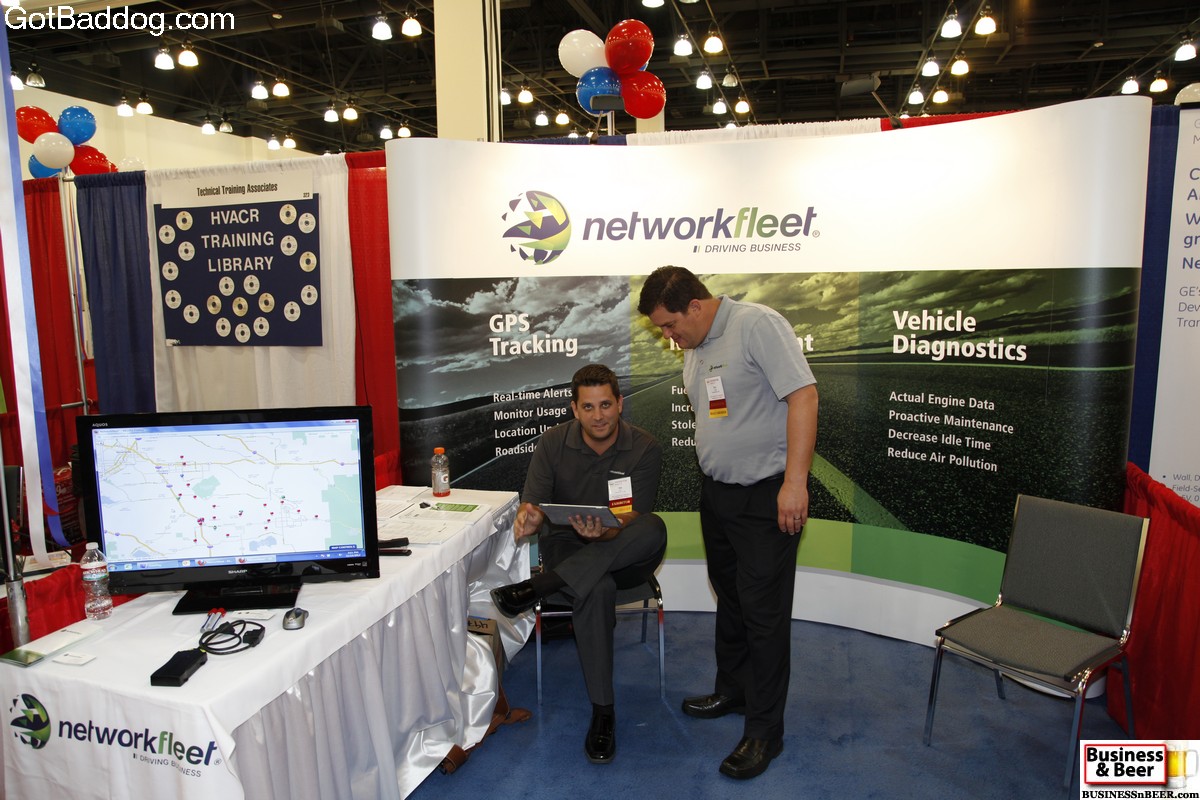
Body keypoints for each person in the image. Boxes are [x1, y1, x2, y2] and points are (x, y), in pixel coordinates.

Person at [637, 265, 818, 781]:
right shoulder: (694, 344)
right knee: (732, 597)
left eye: (670, 325)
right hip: (718, 494)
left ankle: (765, 731)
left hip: (766, 496)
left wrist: (795, 483)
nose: (668, 337)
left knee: (764, 614)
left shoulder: (757, 325)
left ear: (695, 306)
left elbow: (803, 397)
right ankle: (734, 689)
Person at [490, 363, 667, 765]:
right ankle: (604, 713)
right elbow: (533, 504)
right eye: (588, 407)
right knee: (595, 586)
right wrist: (530, 517)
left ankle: (541, 585)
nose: (598, 415)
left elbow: (632, 518)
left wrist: (602, 533)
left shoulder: (645, 447)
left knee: (654, 527)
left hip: (624, 546)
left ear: (620, 403)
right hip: (567, 547)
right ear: (574, 409)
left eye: (605, 405)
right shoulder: (552, 443)